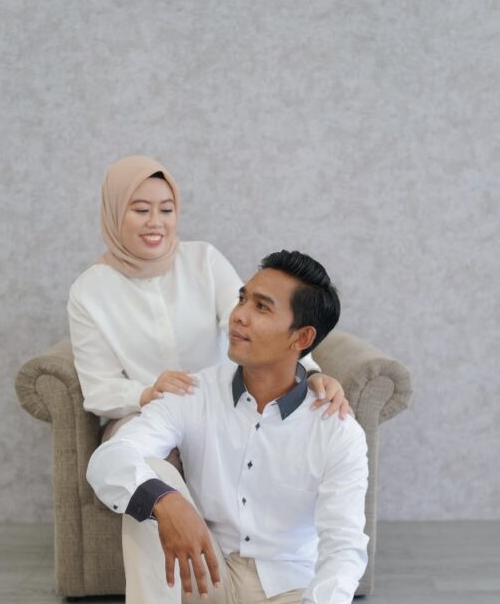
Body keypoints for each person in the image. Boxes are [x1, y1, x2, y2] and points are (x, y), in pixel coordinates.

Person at [79, 249, 392, 604]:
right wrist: (167, 502)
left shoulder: (337, 430)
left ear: (301, 338)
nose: (239, 315)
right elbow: (109, 460)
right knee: (150, 475)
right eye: (243, 298)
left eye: (261, 307)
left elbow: (343, 546)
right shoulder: (193, 391)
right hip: (198, 576)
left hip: (281, 589)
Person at [67, 155, 351, 448]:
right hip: (147, 411)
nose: (156, 222)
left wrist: (309, 373)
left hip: (223, 404)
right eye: (140, 210)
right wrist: (148, 392)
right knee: (141, 453)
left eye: (166, 210)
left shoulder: (203, 259)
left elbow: (254, 324)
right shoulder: (89, 291)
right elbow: (99, 388)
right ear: (113, 212)